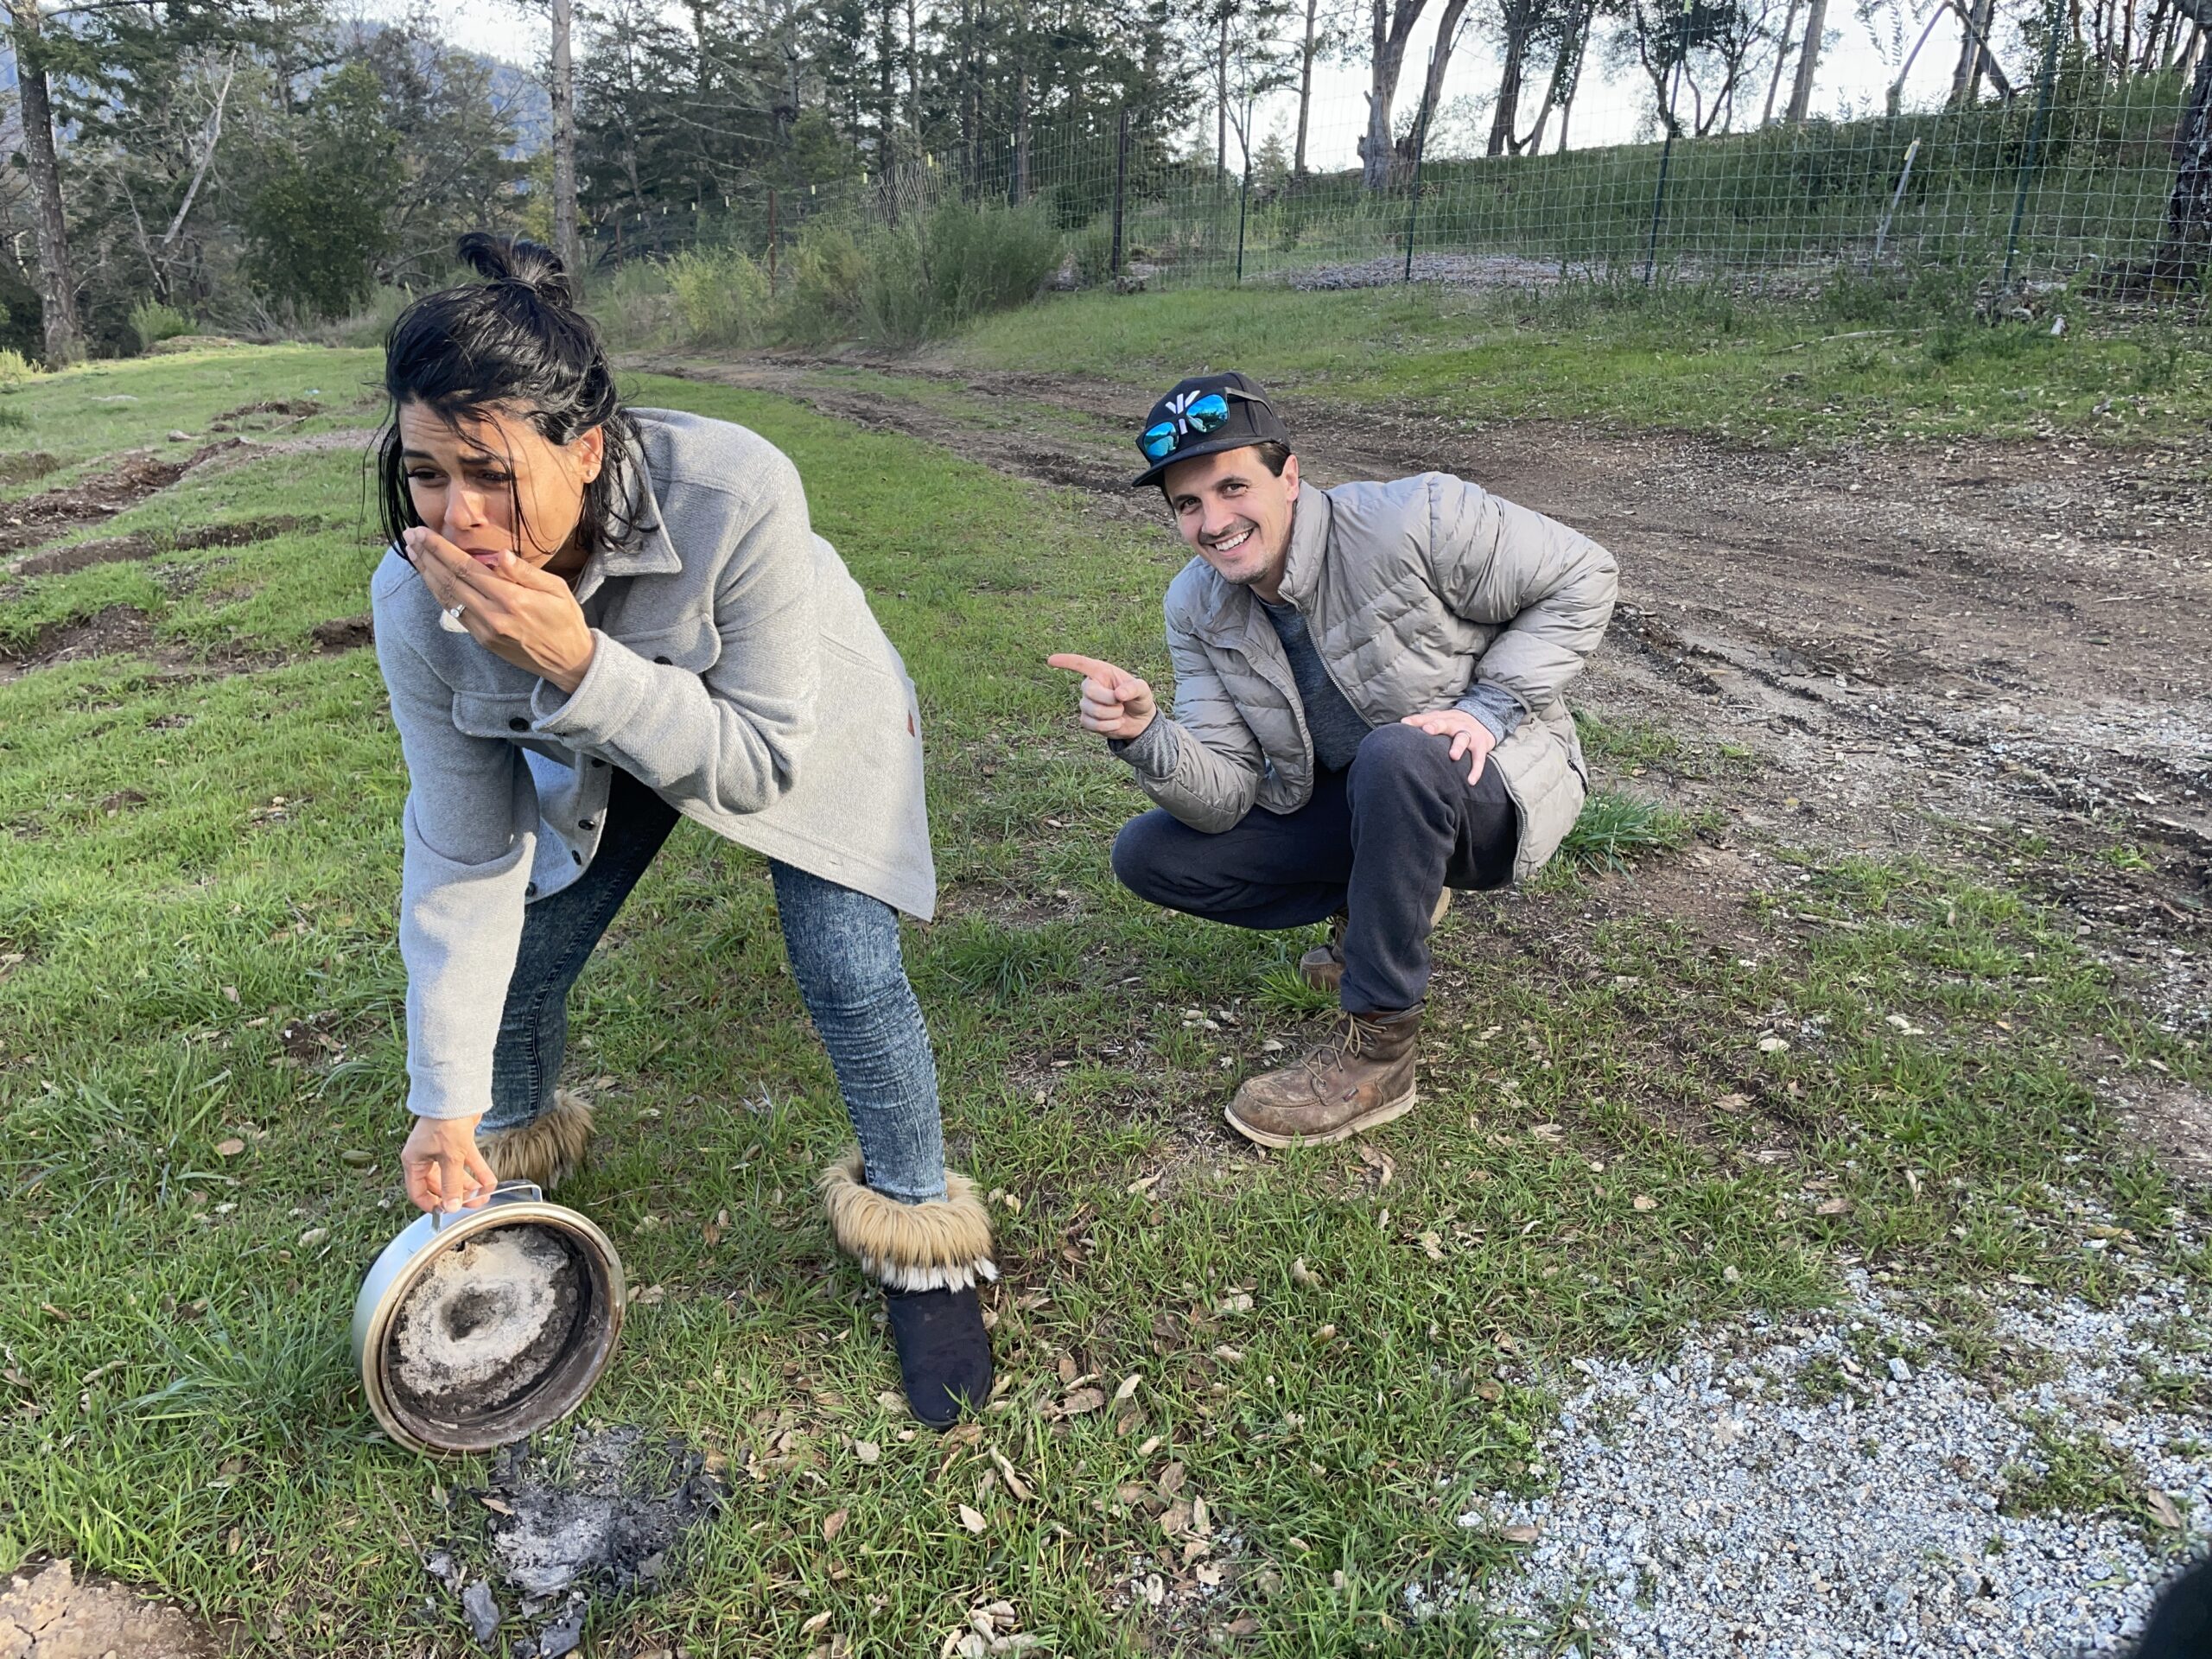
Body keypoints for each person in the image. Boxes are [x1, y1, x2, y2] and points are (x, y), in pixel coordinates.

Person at [369, 233, 992, 1427]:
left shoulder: (735, 487)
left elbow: (758, 760)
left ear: (587, 447)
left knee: (847, 967)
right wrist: (440, 1097)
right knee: (530, 951)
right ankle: (500, 1159)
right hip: (615, 721)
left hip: (792, 720)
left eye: (492, 474)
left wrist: (572, 659)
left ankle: (927, 1242)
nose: (461, 519)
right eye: (429, 475)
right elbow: (462, 852)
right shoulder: (417, 598)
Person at [1051, 372, 1617, 1148]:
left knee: (1396, 755)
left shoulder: (1415, 516)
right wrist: (1145, 734)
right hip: (1366, 800)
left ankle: (1380, 1050)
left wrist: (1488, 709)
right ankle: (1383, 899)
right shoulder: (1196, 604)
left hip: (1492, 786)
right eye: (1188, 504)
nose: (1214, 523)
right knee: (1150, 854)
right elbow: (1223, 794)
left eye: (1231, 487)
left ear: (1289, 476)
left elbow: (1584, 572)